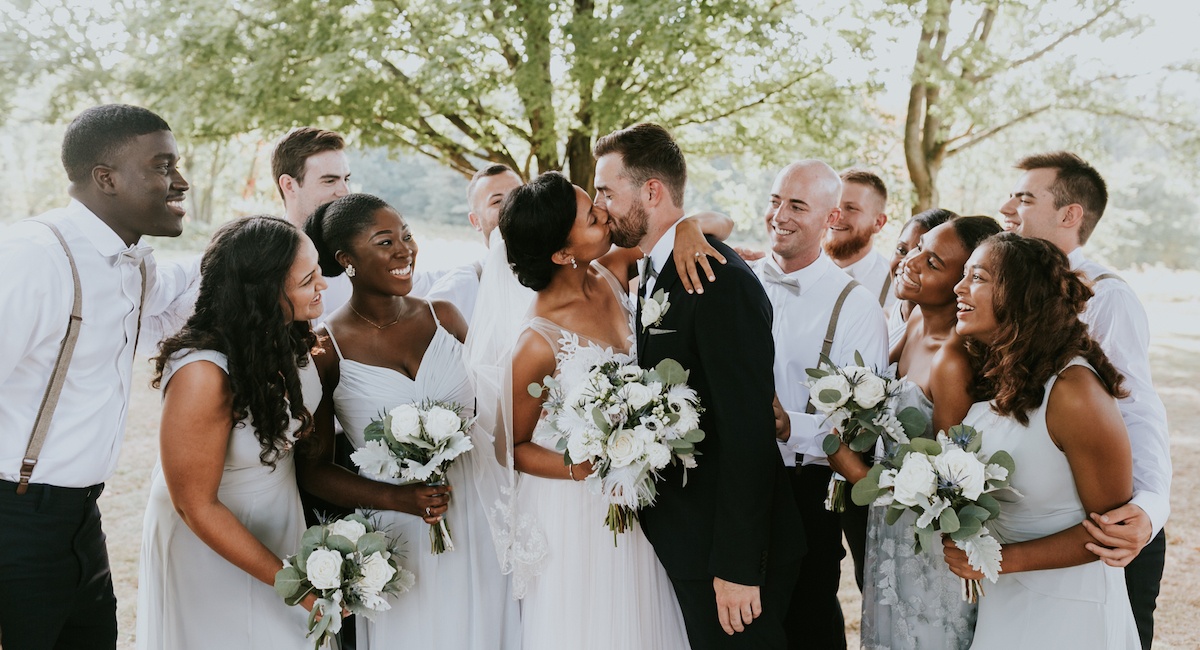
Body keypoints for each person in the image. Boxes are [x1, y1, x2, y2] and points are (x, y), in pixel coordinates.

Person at [592, 123, 804, 649]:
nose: (600, 206)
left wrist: (736, 566)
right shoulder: (658, 273)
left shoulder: (716, 279)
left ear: (652, 192)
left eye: (606, 192)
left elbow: (748, 430)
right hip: (689, 538)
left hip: (724, 552)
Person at [0, 104, 196, 650]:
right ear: (106, 179)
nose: (179, 182)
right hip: (13, 522)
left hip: (81, 522)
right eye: (162, 166)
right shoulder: (33, 257)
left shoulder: (130, 264)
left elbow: (186, 288)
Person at [296, 193, 520, 649]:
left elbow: (498, 410)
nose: (404, 250)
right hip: (399, 533)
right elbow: (314, 469)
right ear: (346, 260)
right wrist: (398, 498)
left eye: (407, 236)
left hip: (479, 514)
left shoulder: (445, 316)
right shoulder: (326, 349)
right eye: (385, 242)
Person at [998, 152, 1170, 649]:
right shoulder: (1012, 292)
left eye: (1026, 197)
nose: (1009, 206)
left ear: (1069, 215)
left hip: (1107, 531)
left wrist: (1150, 510)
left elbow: (1137, 409)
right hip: (1039, 528)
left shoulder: (1106, 295)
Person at [137, 216, 327, 648]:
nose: (323, 285)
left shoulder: (285, 336)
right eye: (308, 278)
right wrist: (294, 584)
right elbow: (195, 506)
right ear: (264, 291)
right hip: (213, 539)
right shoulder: (202, 373)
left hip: (281, 518)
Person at [945, 232, 1138, 648]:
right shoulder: (1001, 375)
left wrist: (996, 560)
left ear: (1022, 295)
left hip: (1069, 608)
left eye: (977, 277)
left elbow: (1111, 530)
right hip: (1004, 598)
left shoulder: (1074, 392)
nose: (959, 288)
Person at [830, 216, 1001, 649]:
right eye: (916, 247)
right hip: (889, 531)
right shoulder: (914, 326)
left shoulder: (953, 361)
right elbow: (866, 396)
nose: (911, 262)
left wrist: (854, 472)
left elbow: (948, 494)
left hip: (926, 546)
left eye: (934, 263)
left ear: (962, 284)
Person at [750, 160, 887, 649]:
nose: (779, 215)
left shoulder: (855, 306)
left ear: (830, 218)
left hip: (809, 490)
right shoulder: (737, 281)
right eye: (775, 200)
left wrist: (792, 426)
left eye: (797, 206)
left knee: (807, 625)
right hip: (736, 484)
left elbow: (861, 422)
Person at [825, 169, 896, 315]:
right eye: (834, 206)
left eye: (850, 208)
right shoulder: (802, 272)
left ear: (878, 223)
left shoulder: (895, 289)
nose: (837, 216)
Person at [885, 208, 957, 350]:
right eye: (901, 250)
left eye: (930, 262)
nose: (907, 262)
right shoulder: (873, 317)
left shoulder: (947, 346)